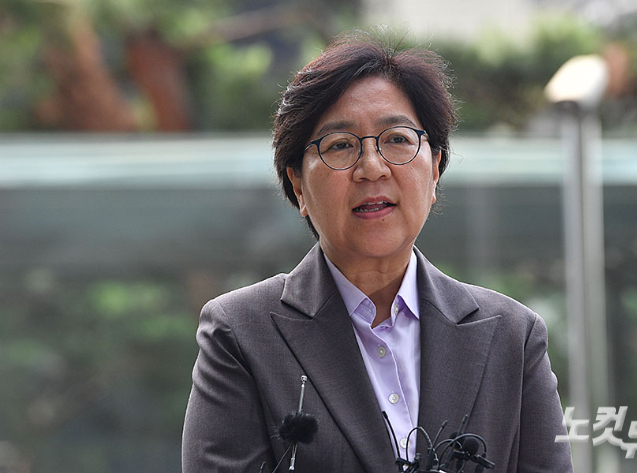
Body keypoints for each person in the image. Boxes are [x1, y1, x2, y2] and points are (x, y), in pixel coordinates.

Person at [182, 32, 573, 473]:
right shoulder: (241, 333)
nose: (372, 168)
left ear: (435, 169)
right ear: (298, 185)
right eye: (340, 145)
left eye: (398, 139)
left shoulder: (512, 336)